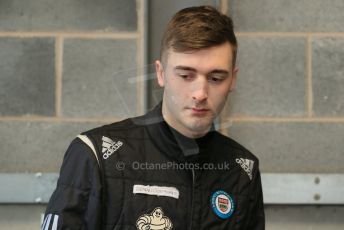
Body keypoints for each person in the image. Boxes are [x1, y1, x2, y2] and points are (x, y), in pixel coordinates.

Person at [42, 5, 265, 230]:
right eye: (186, 75)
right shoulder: (97, 154)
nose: (200, 93)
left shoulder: (242, 170)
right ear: (161, 73)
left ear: (233, 80)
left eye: (216, 78)